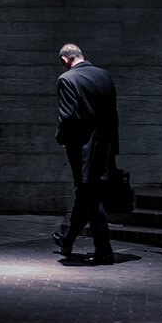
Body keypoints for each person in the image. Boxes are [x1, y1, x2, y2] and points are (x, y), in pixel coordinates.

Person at [51, 43, 119, 265]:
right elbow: (113, 116)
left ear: (65, 61)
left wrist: (62, 139)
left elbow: (68, 117)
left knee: (91, 198)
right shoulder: (104, 76)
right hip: (105, 148)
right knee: (85, 194)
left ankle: (104, 251)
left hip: (82, 151)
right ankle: (67, 240)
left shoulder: (67, 79)